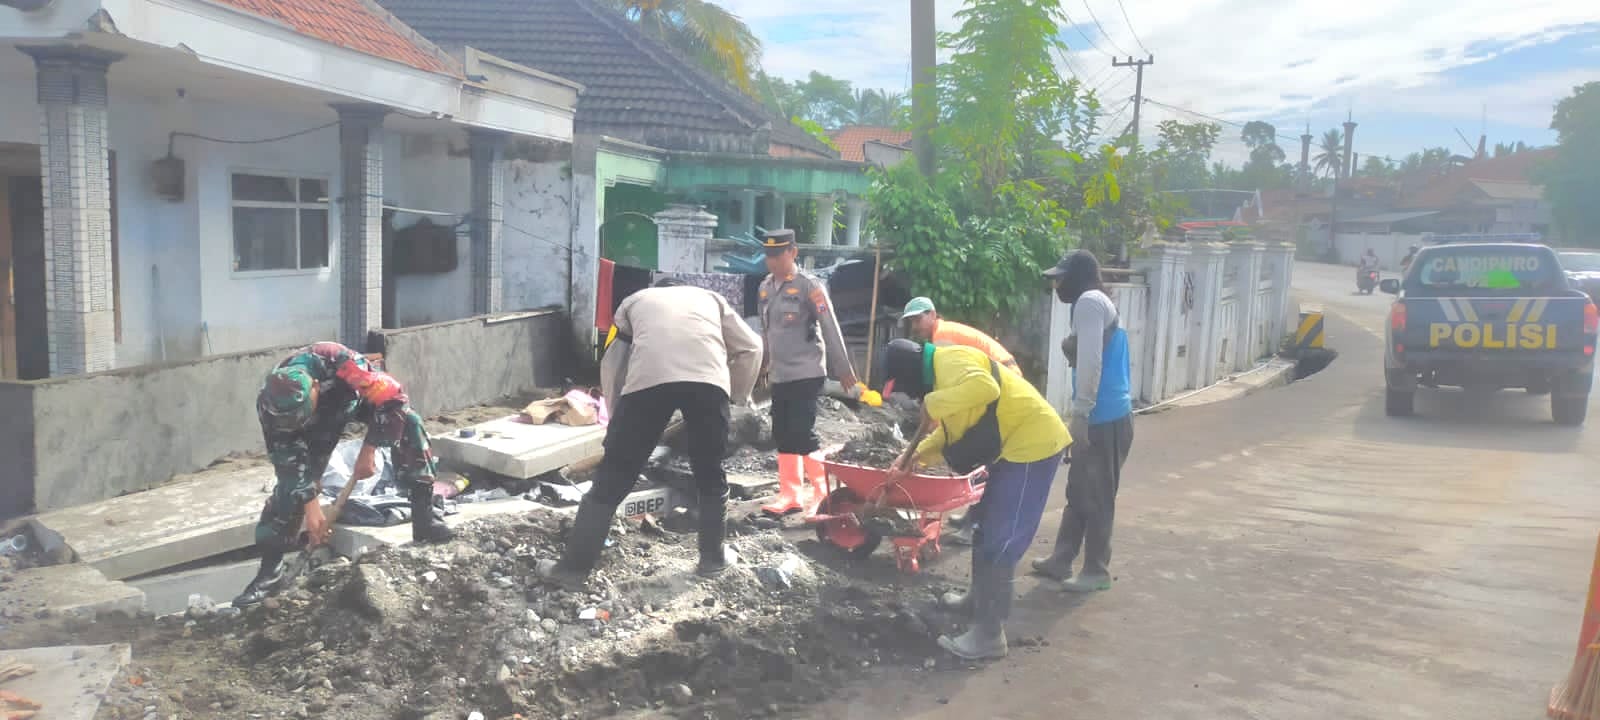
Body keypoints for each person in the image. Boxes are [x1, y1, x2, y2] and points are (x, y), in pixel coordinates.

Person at [550, 278, 762, 585]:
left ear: (656, 289)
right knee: (709, 469)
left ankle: (572, 570)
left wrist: (619, 417)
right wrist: (735, 395)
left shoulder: (635, 300)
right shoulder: (712, 299)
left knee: (616, 473)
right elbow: (752, 347)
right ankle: (712, 560)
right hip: (708, 383)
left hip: (647, 385)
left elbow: (613, 364)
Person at [880, 339, 1069, 660]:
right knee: (982, 526)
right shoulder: (942, 380)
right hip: (1008, 450)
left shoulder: (951, 361)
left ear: (912, 372)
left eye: (906, 388)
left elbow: (986, 388)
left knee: (1001, 540)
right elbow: (950, 433)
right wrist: (914, 457)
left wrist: (935, 402)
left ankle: (989, 635)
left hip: (1032, 446)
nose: (911, 396)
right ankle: (976, 600)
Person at [234, 341, 453, 606]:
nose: (294, 422)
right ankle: (270, 573)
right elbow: (289, 464)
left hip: (353, 402)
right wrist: (312, 508)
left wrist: (369, 449)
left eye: (300, 415)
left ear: (315, 386)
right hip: (314, 433)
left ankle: (424, 520)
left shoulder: (337, 360)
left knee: (409, 421)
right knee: (290, 490)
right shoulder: (272, 407)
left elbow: (392, 397)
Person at [1032, 250, 1135, 593]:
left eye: (1061, 277)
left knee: (1099, 495)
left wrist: (1081, 413)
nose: (1057, 284)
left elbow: (1090, 362)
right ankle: (1061, 559)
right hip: (1100, 414)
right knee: (1078, 490)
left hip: (1104, 417)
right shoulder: (1094, 303)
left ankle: (1096, 570)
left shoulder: (1090, 302)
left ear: (1078, 277)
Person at [758, 228, 860, 516]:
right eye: (768, 256)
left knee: (803, 433)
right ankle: (790, 495)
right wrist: (763, 365)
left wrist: (843, 369)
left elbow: (830, 327)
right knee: (782, 432)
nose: (772, 261)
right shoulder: (764, 287)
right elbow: (766, 333)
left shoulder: (809, 286)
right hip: (780, 374)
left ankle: (822, 494)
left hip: (806, 371)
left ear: (793, 252)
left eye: (778, 255)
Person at [901, 296, 1020, 372]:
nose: (914, 327)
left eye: (917, 320)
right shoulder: (943, 330)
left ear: (932, 314)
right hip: (1003, 371)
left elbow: (949, 376)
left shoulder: (941, 336)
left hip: (1005, 373)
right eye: (912, 322)